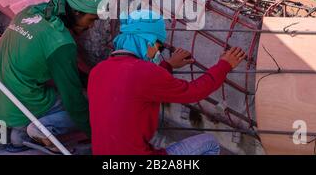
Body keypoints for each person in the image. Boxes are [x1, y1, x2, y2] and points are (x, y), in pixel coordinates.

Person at [88, 10, 246, 155]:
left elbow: (135, 85)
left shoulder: (98, 70)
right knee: (209, 143)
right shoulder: (145, 72)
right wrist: (224, 65)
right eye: (159, 47)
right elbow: (194, 92)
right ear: (148, 41)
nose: (158, 53)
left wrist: (168, 65)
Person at [0, 0, 103, 152]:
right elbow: (73, 100)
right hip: (23, 103)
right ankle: (44, 128)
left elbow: (66, 69)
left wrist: (92, 80)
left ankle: (19, 135)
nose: (92, 26)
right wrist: (98, 137)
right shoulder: (60, 42)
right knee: (88, 103)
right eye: (92, 19)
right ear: (77, 13)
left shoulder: (30, 12)